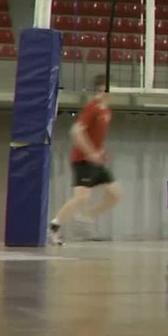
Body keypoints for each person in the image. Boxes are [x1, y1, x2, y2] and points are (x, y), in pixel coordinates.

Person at [49, 74, 121, 245]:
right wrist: (90, 153)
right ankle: (54, 226)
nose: (115, 91)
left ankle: (86, 216)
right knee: (82, 196)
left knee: (116, 194)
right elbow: (76, 131)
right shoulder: (93, 107)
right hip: (82, 159)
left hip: (95, 161)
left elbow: (95, 136)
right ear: (103, 88)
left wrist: (100, 152)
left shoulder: (107, 110)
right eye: (112, 87)